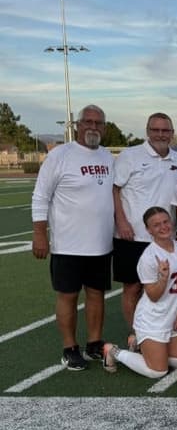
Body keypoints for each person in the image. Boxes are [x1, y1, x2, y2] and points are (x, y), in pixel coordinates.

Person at [31, 105, 114, 370]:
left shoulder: (107, 156)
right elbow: (41, 195)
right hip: (68, 244)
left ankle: (93, 343)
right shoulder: (60, 156)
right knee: (67, 295)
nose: (93, 127)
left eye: (98, 123)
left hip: (101, 243)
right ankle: (69, 348)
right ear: (77, 125)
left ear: (104, 126)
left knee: (96, 294)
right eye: (87, 122)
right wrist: (39, 234)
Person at [113, 112, 177, 343]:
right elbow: (114, 189)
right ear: (147, 131)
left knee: (166, 286)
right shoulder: (130, 155)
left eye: (165, 130)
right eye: (156, 130)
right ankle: (138, 334)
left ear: (172, 133)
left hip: (167, 238)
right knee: (133, 288)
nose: (160, 134)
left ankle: (161, 331)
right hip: (133, 235)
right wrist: (122, 222)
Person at [101, 207, 177, 377]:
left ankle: (144, 346)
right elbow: (153, 296)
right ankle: (113, 351)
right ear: (149, 230)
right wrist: (163, 278)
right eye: (156, 225)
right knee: (158, 371)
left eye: (165, 222)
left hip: (172, 315)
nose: (163, 227)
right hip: (153, 319)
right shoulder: (148, 257)